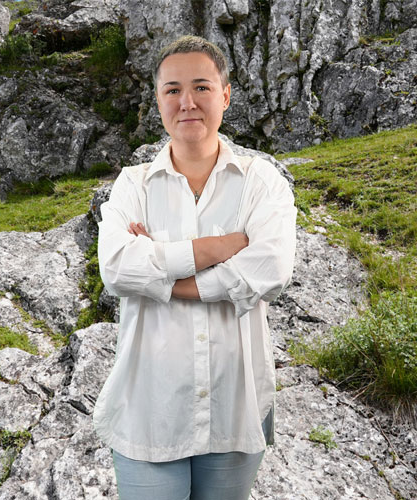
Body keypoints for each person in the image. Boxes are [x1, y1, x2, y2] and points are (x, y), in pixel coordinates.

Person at [93, 35, 297, 500]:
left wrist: (164, 279)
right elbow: (118, 268)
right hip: (150, 410)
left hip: (235, 406)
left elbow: (271, 268)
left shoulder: (261, 181)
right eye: (172, 90)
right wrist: (222, 246)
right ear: (158, 101)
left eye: (202, 87)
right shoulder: (132, 184)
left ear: (225, 95)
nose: (187, 102)